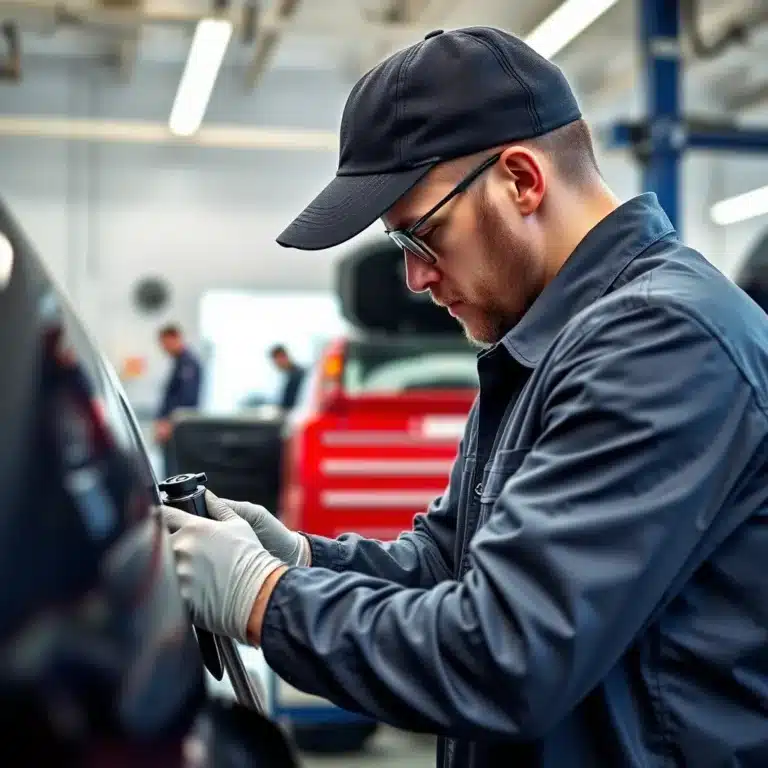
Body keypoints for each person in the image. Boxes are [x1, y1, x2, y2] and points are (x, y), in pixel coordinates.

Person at [160, 27, 768, 768]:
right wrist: (303, 559)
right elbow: (453, 563)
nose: (415, 280)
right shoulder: (544, 341)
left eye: (423, 236)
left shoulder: (661, 340)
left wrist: (265, 598)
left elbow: (507, 655)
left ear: (521, 179)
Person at [155, 323, 202, 476]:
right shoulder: (179, 363)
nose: (164, 348)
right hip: (172, 426)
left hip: (177, 428)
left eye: (165, 343)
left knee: (176, 474)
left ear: (175, 338)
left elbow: (186, 400)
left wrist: (169, 423)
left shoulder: (188, 364)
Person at [268, 344, 305, 411]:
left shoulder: (296, 376)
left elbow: (288, 404)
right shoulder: (291, 374)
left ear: (283, 357)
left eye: (276, 360)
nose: (276, 364)